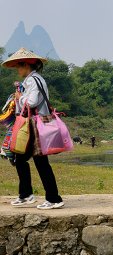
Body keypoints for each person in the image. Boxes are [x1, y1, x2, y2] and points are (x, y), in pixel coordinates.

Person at [2, 48, 64, 209]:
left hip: (35, 125)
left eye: (19, 66)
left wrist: (19, 98)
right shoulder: (34, 79)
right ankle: (26, 194)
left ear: (26, 65)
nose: (18, 70)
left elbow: (31, 102)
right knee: (19, 158)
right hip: (31, 124)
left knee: (41, 161)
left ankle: (54, 198)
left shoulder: (32, 80)